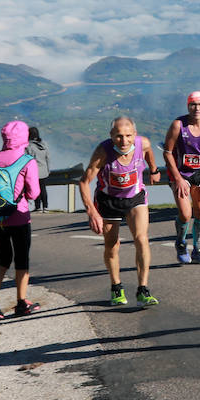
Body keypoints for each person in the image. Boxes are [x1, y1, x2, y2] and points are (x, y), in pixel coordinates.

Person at [78, 117, 162, 307]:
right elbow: (84, 181)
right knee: (112, 244)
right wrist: (92, 212)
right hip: (109, 200)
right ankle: (116, 287)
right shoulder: (103, 152)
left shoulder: (144, 143)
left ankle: (143, 289)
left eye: (128, 136)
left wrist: (154, 169)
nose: (123, 141)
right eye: (118, 136)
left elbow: (148, 153)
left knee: (141, 238)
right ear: (111, 136)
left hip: (135, 197)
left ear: (135, 134)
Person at [0, 121, 43, 321]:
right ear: (24, 137)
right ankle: (22, 303)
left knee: (3, 258)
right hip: (19, 217)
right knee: (21, 260)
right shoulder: (27, 161)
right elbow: (34, 193)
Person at [163, 91, 200, 264]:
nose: (197, 108)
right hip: (180, 174)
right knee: (186, 213)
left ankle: (198, 250)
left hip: (199, 174)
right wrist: (178, 179)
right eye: (193, 104)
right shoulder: (178, 125)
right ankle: (181, 243)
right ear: (188, 106)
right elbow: (167, 152)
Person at [25, 125, 51, 212]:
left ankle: (38, 207)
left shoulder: (29, 146)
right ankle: (46, 207)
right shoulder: (44, 144)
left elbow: (27, 159)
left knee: (36, 189)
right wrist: (48, 169)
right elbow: (48, 158)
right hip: (44, 170)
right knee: (43, 188)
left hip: (34, 171)